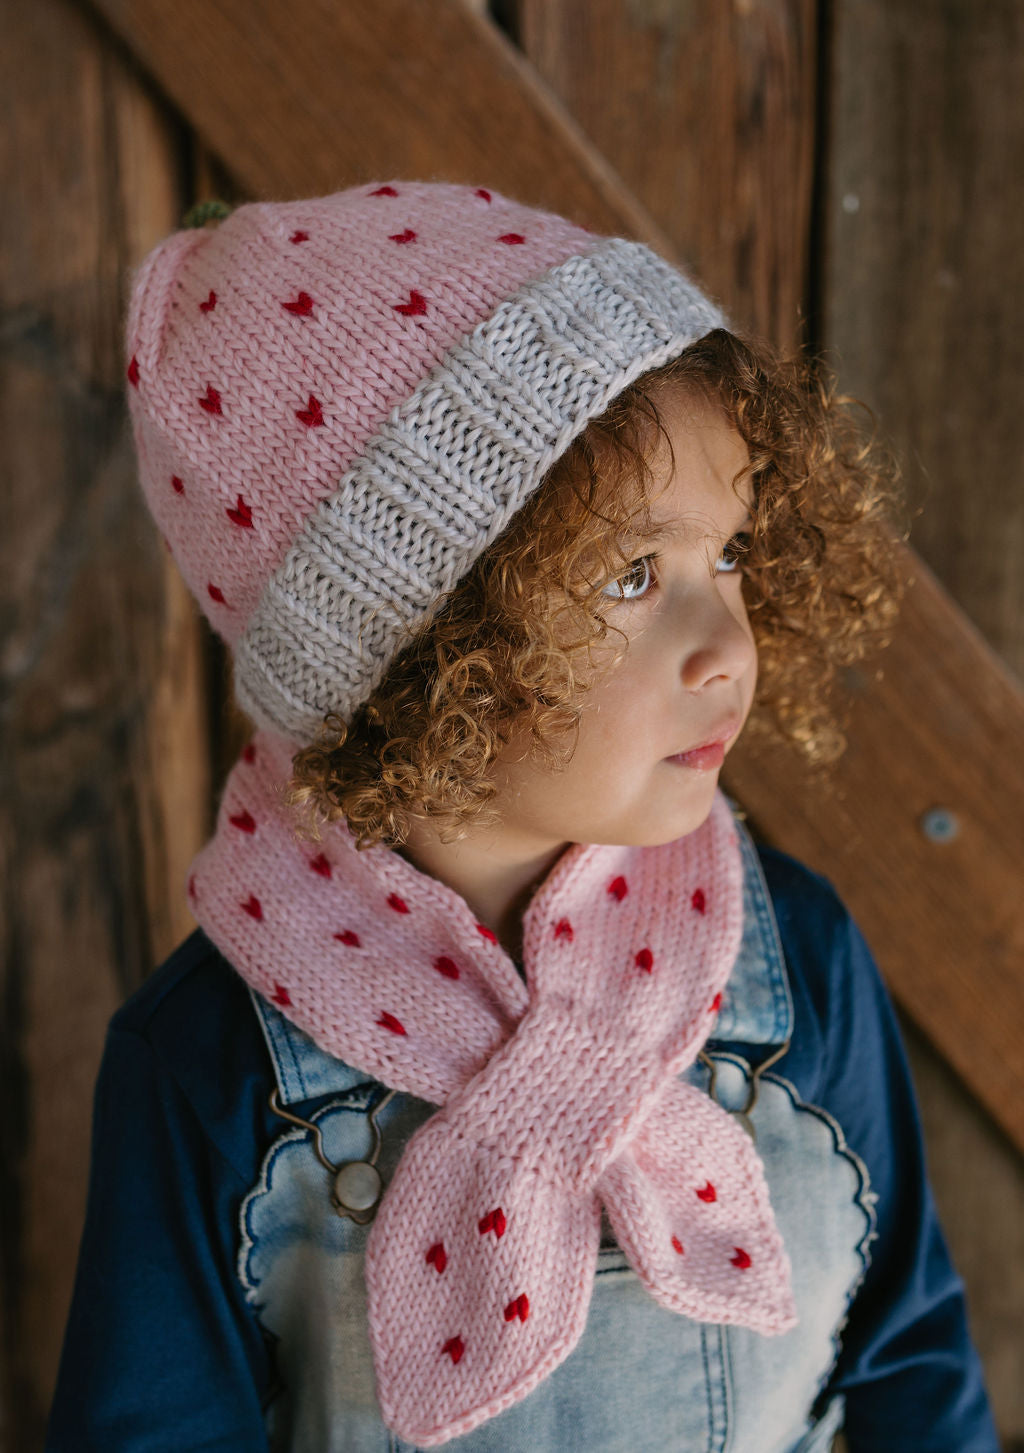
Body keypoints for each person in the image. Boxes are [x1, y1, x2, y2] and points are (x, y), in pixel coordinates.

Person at [46, 181, 999, 1452]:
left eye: (726, 552)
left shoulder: (795, 967)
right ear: (420, 652)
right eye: (630, 574)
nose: (727, 640)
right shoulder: (214, 1063)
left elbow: (910, 1358)